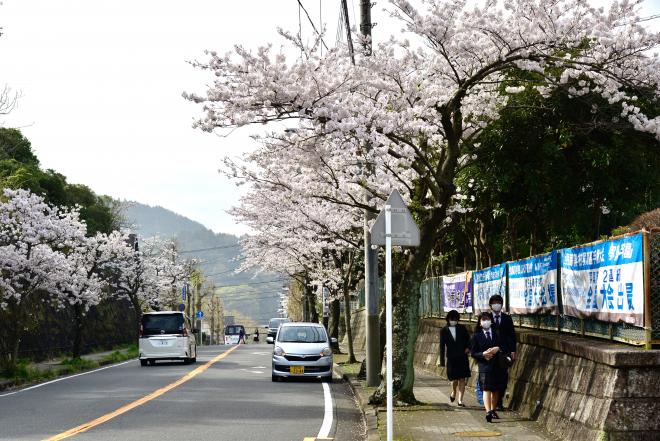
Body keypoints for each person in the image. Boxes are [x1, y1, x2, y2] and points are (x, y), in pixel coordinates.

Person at [471, 311, 507, 423]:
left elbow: (504, 346)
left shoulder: (497, 333)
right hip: (484, 366)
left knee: (496, 390)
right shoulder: (476, 336)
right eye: (483, 319)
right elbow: (473, 353)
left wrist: (498, 348)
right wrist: (483, 354)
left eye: (487, 319)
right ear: (480, 323)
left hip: (497, 365)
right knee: (486, 389)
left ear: (491, 321)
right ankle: (488, 412)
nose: (485, 321)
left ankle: (493, 409)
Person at [437, 310, 471, 406]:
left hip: (462, 357)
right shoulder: (444, 330)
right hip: (452, 358)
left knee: (462, 378)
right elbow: (442, 346)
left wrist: (468, 348)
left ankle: (460, 400)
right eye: (452, 319)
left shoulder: (462, 328)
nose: (454, 321)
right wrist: (442, 361)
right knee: (454, 379)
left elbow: (469, 340)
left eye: (456, 319)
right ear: (448, 319)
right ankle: (453, 392)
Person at [489, 294, 516, 410]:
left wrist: (513, 350)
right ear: (490, 305)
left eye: (499, 302)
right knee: (491, 377)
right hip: (490, 352)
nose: (497, 304)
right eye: (494, 302)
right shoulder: (486, 318)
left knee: (503, 378)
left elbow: (512, 335)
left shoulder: (507, 318)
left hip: (504, 352)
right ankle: (491, 402)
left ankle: (498, 402)